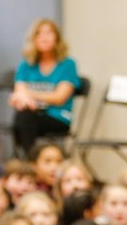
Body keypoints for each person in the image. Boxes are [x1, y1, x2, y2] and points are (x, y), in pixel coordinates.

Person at [10, 19, 81, 155]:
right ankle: (30, 160)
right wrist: (24, 99)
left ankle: (29, 161)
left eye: (49, 33)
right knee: (23, 116)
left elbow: (59, 97)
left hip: (57, 117)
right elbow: (19, 94)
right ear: (33, 39)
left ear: (57, 38)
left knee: (24, 119)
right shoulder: (26, 65)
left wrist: (29, 94)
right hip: (30, 114)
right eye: (39, 34)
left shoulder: (68, 64)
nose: (44, 37)